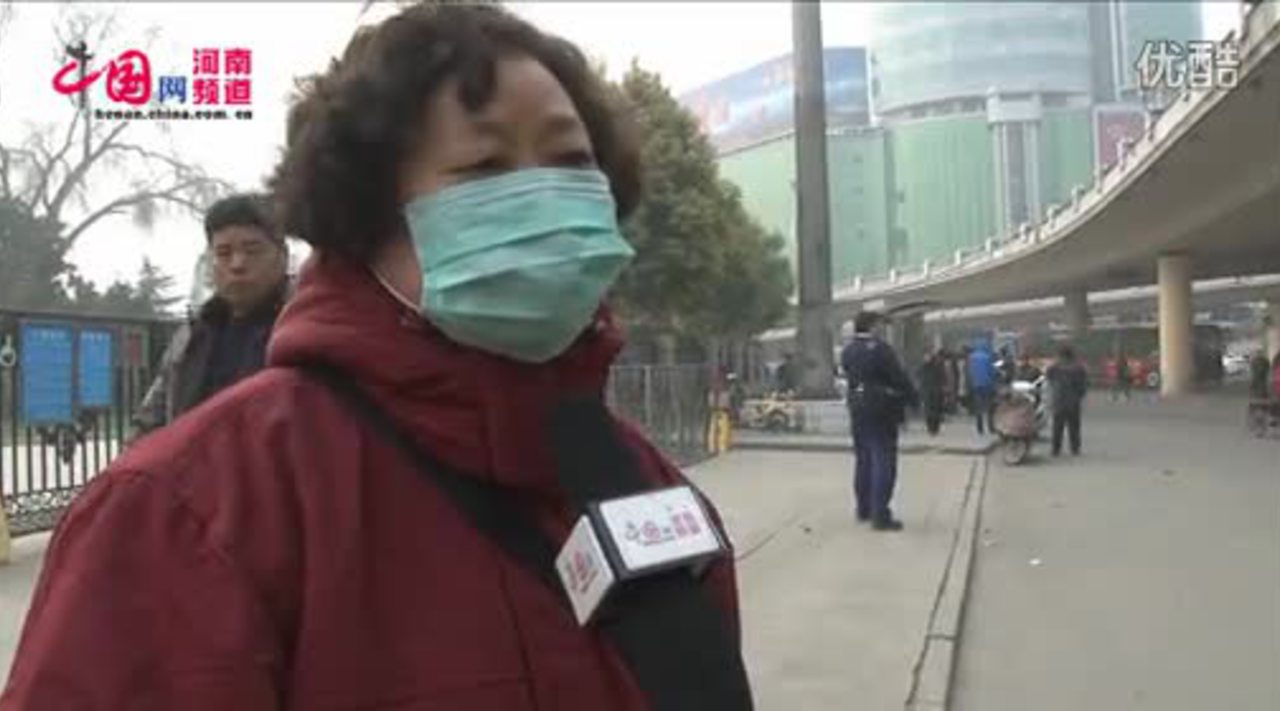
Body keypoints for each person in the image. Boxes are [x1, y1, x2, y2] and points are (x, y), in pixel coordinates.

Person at [3, 5, 752, 709]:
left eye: (570, 159)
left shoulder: (647, 486)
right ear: (367, 215)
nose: (543, 194)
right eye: (485, 166)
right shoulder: (193, 510)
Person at [129, 194, 291, 440]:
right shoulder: (191, 336)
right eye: (224, 253)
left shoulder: (306, 327)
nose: (237, 264)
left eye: (252, 251)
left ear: (282, 256)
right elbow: (150, 422)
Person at [841, 311, 920, 532]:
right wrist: (913, 399)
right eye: (880, 325)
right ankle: (880, 514)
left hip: (857, 407)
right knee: (883, 459)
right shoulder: (882, 350)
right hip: (881, 408)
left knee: (863, 459)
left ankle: (864, 508)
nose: (882, 329)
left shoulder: (848, 351)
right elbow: (898, 377)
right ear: (872, 326)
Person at [1047, 344, 1090, 457]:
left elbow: (1049, 378)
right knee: (1074, 426)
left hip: (1059, 400)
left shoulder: (1055, 367)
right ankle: (1075, 448)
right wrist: (1079, 395)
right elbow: (1083, 385)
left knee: (1057, 427)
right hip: (1073, 401)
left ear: (1060, 355)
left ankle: (1056, 449)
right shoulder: (1079, 368)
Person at [967, 340, 999, 436]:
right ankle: (991, 427)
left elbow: (970, 372)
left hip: (976, 385)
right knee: (990, 407)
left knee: (978, 407)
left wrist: (972, 382)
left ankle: (979, 427)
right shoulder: (988, 357)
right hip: (988, 385)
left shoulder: (971, 358)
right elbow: (992, 371)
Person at [917, 348, 947, 436]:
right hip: (927, 392)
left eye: (928, 356)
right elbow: (918, 376)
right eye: (925, 357)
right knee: (928, 411)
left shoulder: (937, 367)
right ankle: (930, 428)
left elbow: (943, 378)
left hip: (936, 392)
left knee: (936, 411)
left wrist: (944, 389)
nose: (926, 358)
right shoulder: (922, 367)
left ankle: (935, 428)